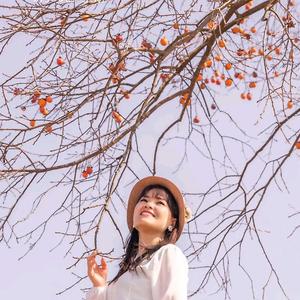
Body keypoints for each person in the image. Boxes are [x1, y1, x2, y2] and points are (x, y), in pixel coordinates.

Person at [86, 176, 192, 300]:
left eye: (160, 202)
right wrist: (100, 286)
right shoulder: (123, 276)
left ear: (172, 222)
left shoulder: (168, 254)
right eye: (144, 200)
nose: (149, 205)